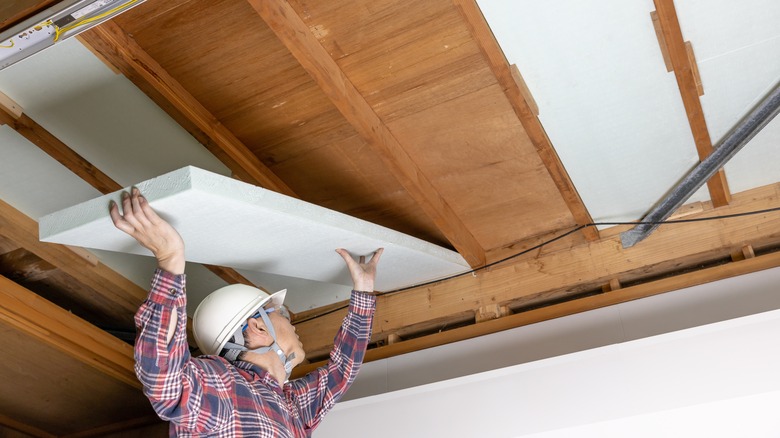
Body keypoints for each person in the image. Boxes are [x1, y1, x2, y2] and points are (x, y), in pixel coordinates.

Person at [109, 187, 383, 437]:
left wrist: (364, 291)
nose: (292, 323)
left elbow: (342, 370)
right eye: (282, 314)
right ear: (258, 327)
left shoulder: (291, 405)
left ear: (260, 327)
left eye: (282, 315)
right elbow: (164, 377)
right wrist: (170, 259)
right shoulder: (222, 386)